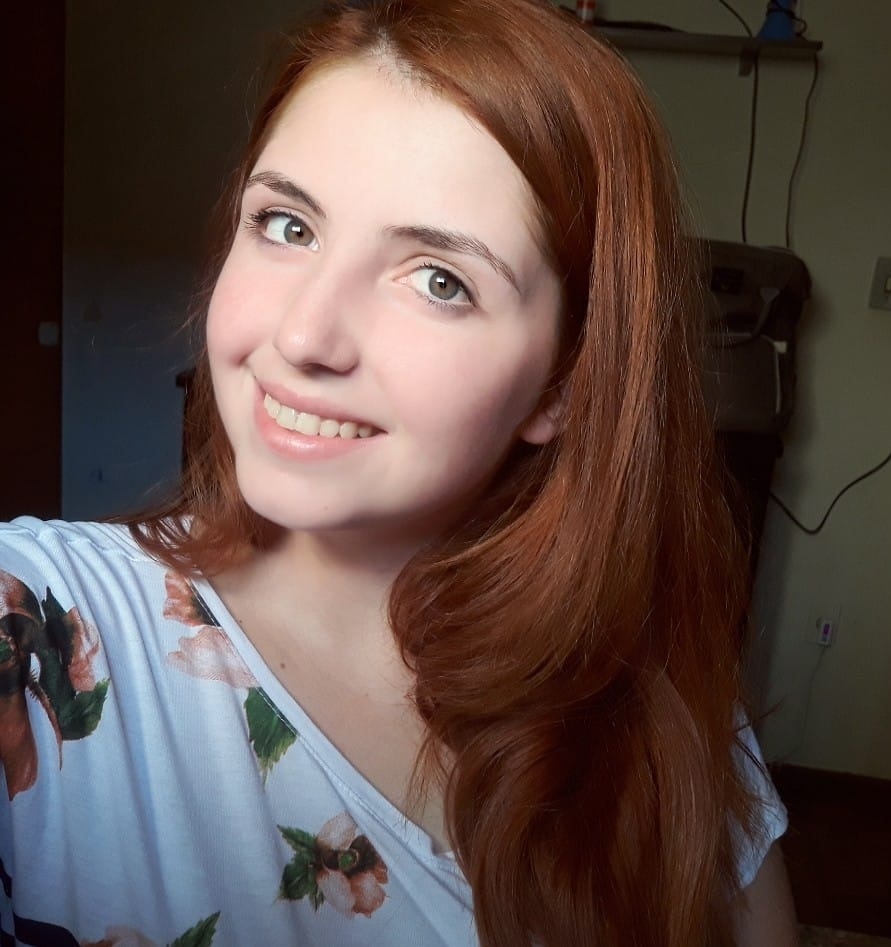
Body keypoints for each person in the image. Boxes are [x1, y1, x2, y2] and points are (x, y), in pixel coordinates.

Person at [0, 1, 799, 944]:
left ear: (563, 385)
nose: (304, 336)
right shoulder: (39, 632)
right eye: (287, 225)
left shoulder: (663, 722)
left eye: (439, 280)